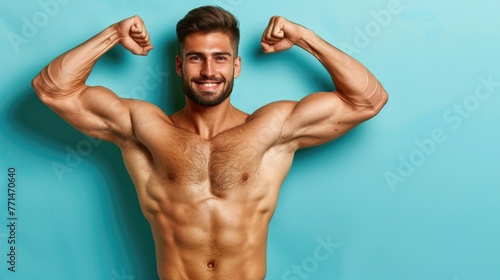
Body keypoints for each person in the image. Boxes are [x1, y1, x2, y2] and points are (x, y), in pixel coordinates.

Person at [32, 5, 388, 280]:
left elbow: (367, 99)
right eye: (195, 58)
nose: (207, 71)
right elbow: (53, 89)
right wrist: (113, 33)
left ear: (236, 66)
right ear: (178, 65)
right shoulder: (144, 129)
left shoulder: (272, 129)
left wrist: (303, 37)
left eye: (220, 58)